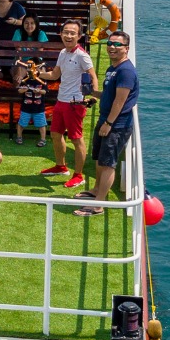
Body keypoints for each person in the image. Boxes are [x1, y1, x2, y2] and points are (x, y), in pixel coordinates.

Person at [77, 31, 139, 215]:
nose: (112, 47)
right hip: (105, 119)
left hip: (116, 124)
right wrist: (92, 93)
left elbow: (120, 101)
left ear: (126, 48)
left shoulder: (126, 71)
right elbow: (109, 96)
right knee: (99, 158)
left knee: (108, 163)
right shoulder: (113, 68)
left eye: (117, 45)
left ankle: (98, 204)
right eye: (110, 43)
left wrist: (109, 123)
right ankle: (96, 190)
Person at [40, 20, 96, 189]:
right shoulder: (63, 52)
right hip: (61, 101)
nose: (69, 35)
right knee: (56, 134)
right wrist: (37, 73)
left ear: (79, 36)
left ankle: (79, 175)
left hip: (75, 103)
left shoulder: (82, 56)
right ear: (61, 34)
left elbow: (93, 77)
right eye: (66, 32)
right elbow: (55, 74)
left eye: (73, 33)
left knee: (76, 139)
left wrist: (91, 97)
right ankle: (60, 166)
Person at [13, 59, 49, 147]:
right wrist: (24, 89)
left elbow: (45, 91)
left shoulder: (42, 80)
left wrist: (39, 91)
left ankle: (43, 139)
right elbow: (19, 90)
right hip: (26, 108)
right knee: (21, 123)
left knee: (41, 124)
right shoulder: (25, 80)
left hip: (39, 108)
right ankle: (19, 137)